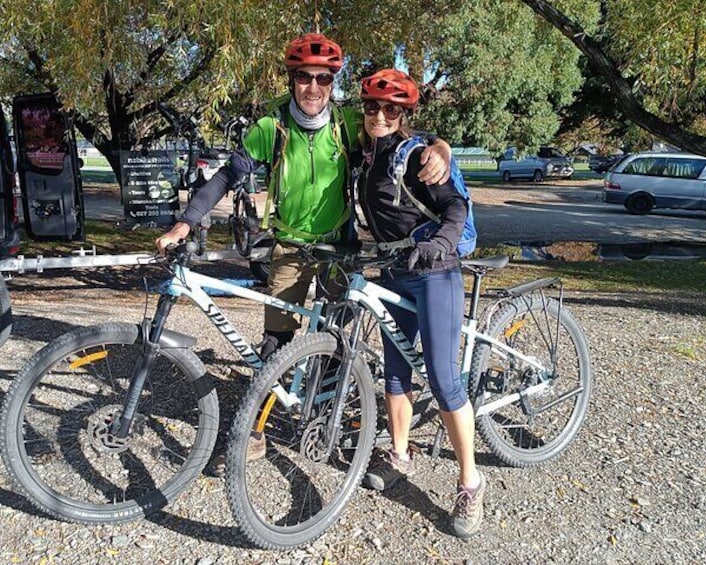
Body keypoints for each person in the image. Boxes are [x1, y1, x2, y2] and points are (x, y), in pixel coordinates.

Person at [155, 33, 451, 360]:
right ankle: (268, 403)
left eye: (323, 77)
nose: (313, 87)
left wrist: (440, 146)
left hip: (338, 247)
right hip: (288, 247)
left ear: (332, 82)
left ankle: (328, 404)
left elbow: (396, 131)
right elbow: (227, 176)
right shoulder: (272, 127)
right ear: (291, 80)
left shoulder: (348, 124)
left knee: (333, 338)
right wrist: (184, 224)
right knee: (275, 341)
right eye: (303, 76)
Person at [355, 69, 485, 539]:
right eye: (372, 107)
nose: (381, 116)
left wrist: (444, 240)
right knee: (394, 371)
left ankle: (470, 482)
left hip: (433, 271)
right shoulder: (363, 157)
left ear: (405, 115)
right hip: (394, 272)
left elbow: (455, 206)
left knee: (444, 379)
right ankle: (400, 455)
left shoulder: (417, 156)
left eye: (392, 110)